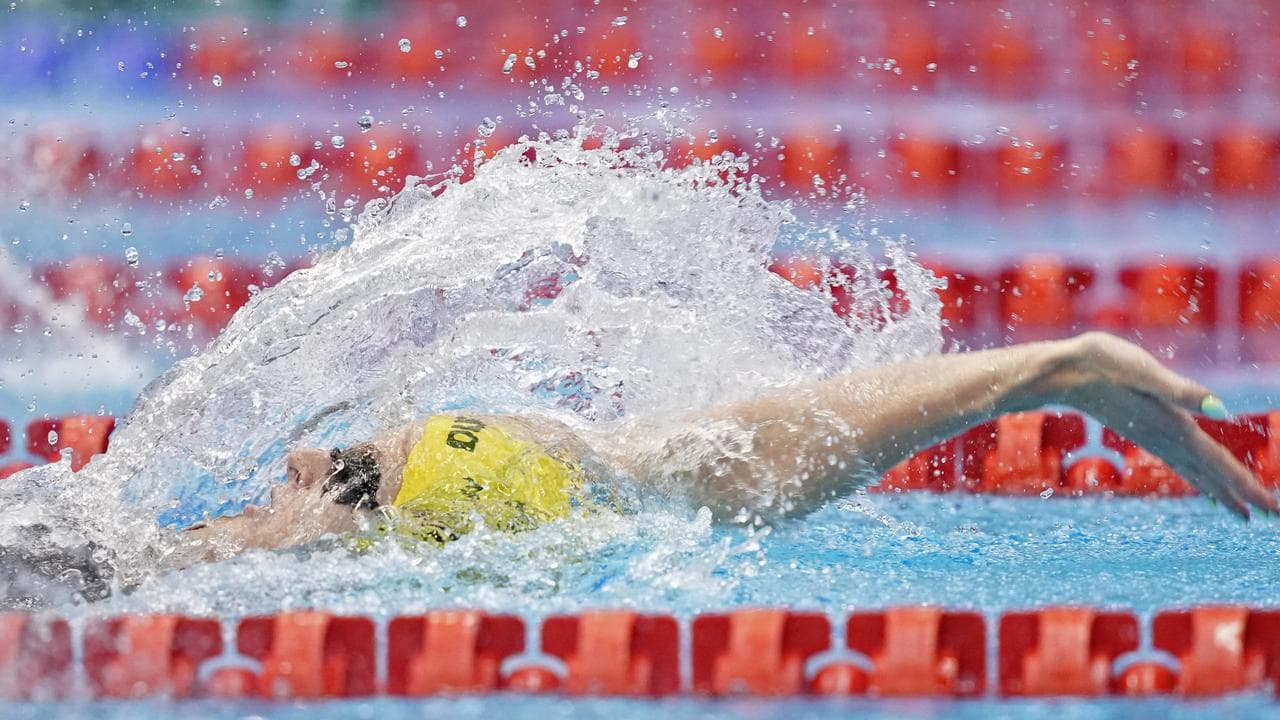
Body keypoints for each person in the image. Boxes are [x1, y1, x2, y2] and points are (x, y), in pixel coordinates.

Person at [176, 332, 1279, 564]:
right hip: (446, 464)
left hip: (440, 487)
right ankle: (1052, 369)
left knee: (691, 482)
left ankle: (1053, 368)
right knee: (670, 472)